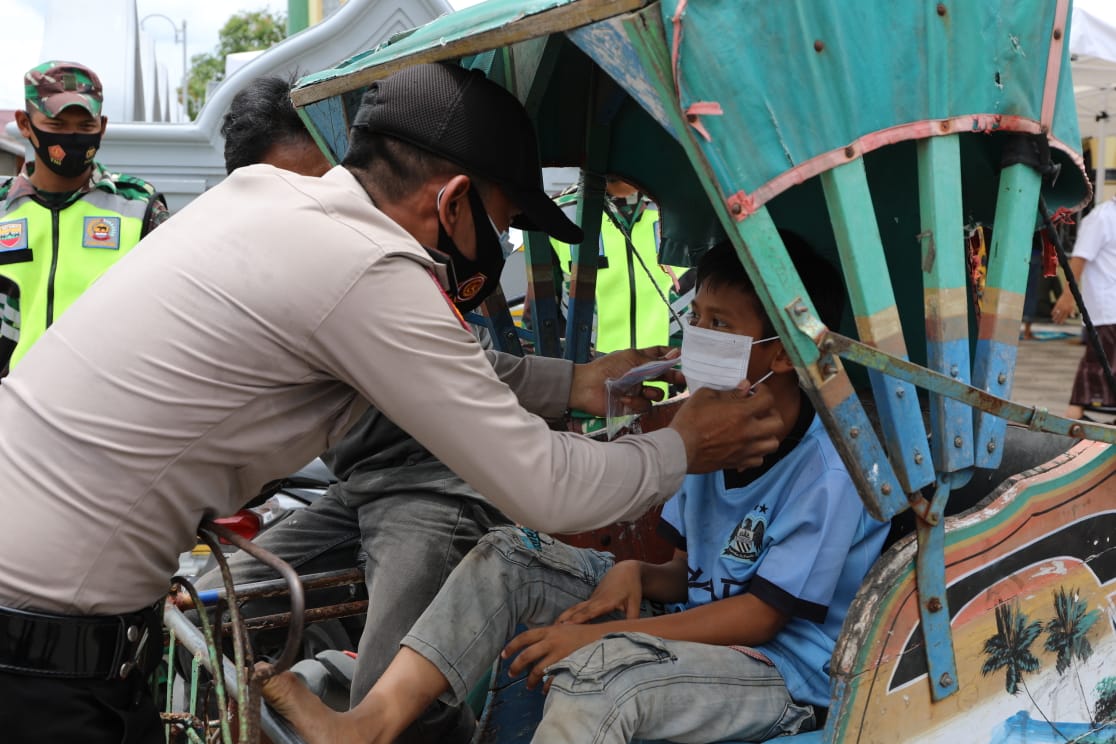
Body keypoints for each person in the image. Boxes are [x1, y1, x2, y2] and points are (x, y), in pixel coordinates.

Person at [0, 62, 784, 744]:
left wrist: (575, 384)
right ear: (452, 204)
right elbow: (545, 488)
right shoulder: (369, 268)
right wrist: (684, 446)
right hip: (41, 649)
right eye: (505, 228)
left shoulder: (273, 200)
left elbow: (436, 364)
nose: (501, 252)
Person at [262, 236, 891, 744]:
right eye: (695, 317)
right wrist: (640, 574)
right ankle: (368, 726)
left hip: (782, 673)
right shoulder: (707, 430)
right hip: (694, 625)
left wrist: (599, 637)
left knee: (598, 675)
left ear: (781, 353)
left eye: (719, 324)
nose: (696, 337)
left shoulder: (831, 467)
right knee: (509, 557)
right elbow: (689, 569)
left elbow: (759, 616)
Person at [200, 74, 509, 742]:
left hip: (430, 487)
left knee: (386, 705)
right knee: (209, 606)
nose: (316, 214)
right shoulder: (258, 261)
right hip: (357, 488)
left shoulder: (394, 249)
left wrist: (577, 385)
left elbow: (469, 367)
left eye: (319, 188)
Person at [0, 60, 168, 374]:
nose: (72, 137)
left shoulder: (138, 206)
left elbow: (170, 309)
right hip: (10, 409)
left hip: (102, 406)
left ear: (101, 127)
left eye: (85, 126)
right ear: (25, 124)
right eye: (57, 125)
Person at [551, 177, 682, 354]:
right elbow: (541, 308)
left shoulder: (683, 207)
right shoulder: (560, 211)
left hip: (677, 372)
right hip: (589, 373)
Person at [1051, 195, 1116, 420]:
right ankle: (1075, 424)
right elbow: (1079, 259)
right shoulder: (1101, 217)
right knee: (1096, 370)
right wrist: (1068, 296)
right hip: (1107, 310)